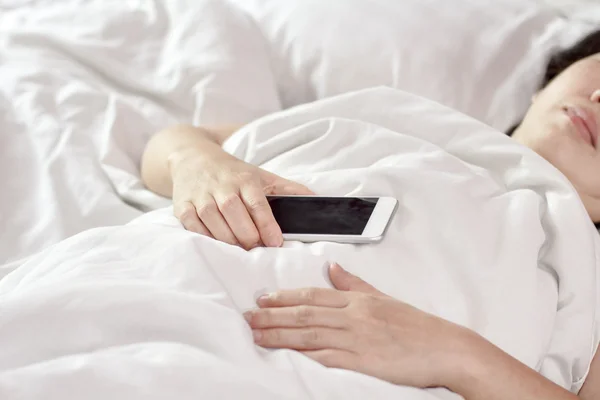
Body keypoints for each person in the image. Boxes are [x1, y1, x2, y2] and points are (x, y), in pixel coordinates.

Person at [140, 29, 600, 399]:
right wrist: (197, 164)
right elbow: (179, 141)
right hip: (155, 299)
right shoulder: (393, 118)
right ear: (548, 81)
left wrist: (453, 353)